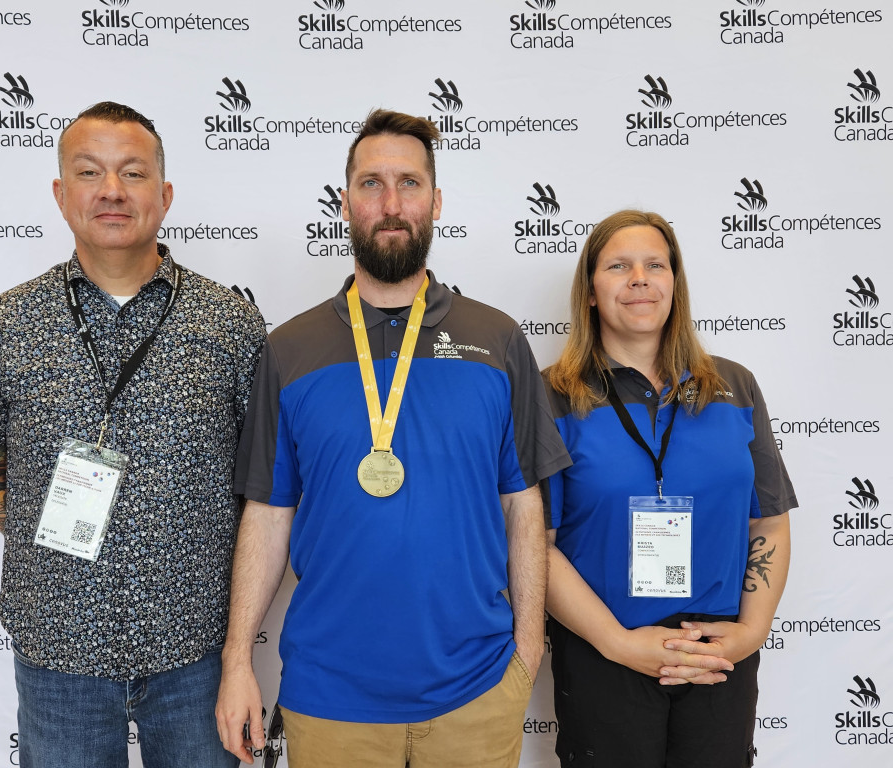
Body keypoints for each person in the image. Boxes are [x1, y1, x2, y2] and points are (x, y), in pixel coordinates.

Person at [215, 109, 571, 768]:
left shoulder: (496, 342)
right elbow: (267, 513)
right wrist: (238, 660)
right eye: (372, 183)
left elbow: (525, 505)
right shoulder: (289, 351)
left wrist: (527, 648)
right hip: (329, 698)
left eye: (408, 183)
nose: (391, 203)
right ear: (345, 201)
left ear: (435, 202)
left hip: (476, 692)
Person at [0, 101, 266, 768]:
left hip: (197, 652)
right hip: (57, 653)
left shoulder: (231, 324)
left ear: (165, 195)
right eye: (90, 172)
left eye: (133, 173)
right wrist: (61, 531)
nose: (112, 191)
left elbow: (265, 483)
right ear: (62, 195)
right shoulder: (8, 321)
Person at [543, 210, 796, 767]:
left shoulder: (734, 386)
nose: (639, 278)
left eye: (655, 265)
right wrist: (617, 642)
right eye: (619, 266)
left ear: (674, 285)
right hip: (602, 652)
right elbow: (537, 542)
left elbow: (769, 520)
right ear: (590, 291)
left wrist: (750, 632)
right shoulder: (554, 396)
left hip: (717, 653)